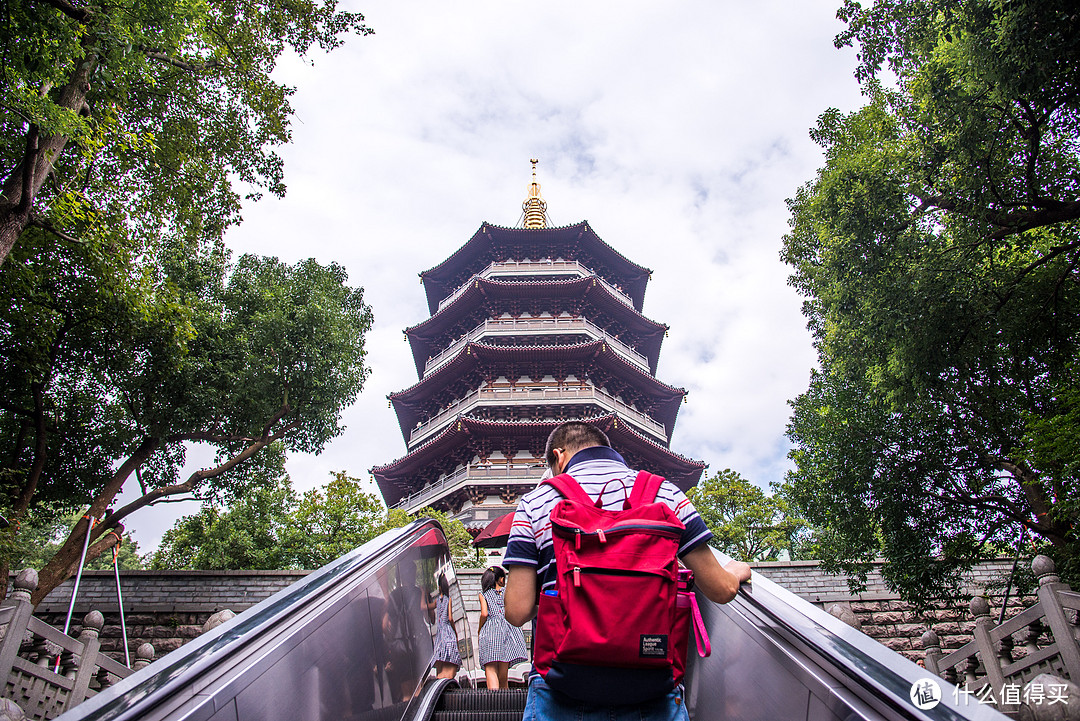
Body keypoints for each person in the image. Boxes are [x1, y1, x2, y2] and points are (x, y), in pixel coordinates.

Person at [503, 421, 753, 720]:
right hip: (653, 688)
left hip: (561, 687)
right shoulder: (666, 494)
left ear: (559, 456)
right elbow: (720, 589)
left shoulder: (536, 502)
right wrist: (737, 570)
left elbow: (517, 612)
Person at [477, 565, 528, 689]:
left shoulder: (483, 594)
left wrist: (479, 629)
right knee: (503, 672)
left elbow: (484, 613)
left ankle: (493, 702)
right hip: (507, 630)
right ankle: (505, 702)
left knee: (490, 669)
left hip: (490, 630)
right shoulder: (507, 592)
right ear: (500, 579)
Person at [431, 573, 461, 680]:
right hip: (448, 632)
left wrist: (423, 594)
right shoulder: (448, 599)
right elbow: (450, 618)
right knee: (450, 658)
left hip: (440, 634)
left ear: (439, 587)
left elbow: (426, 607)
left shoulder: (437, 601)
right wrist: (455, 631)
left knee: (440, 660)